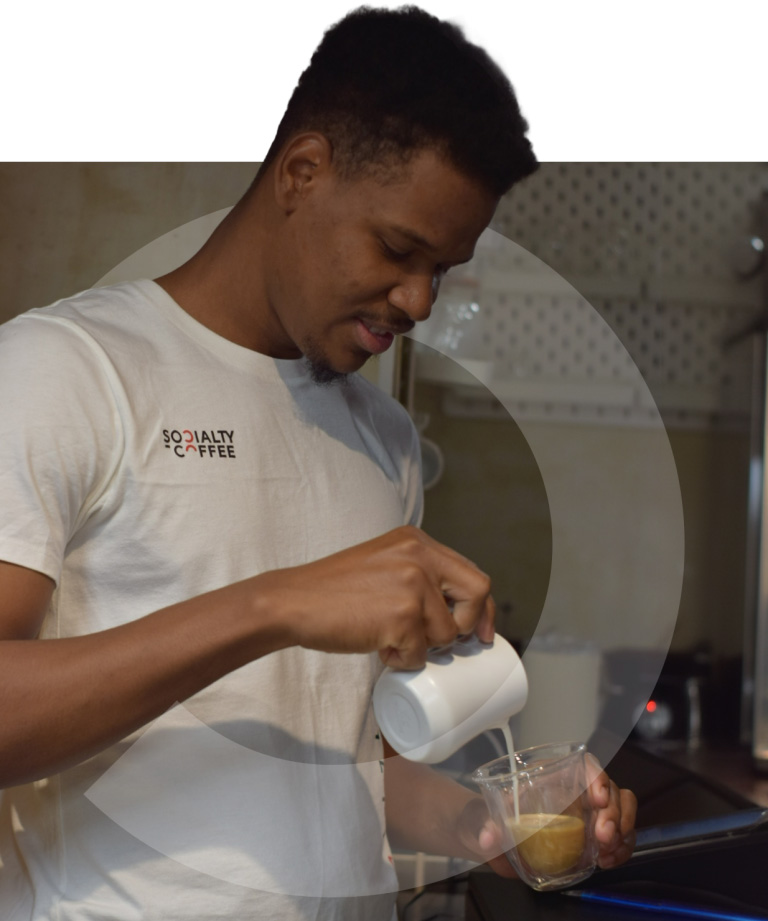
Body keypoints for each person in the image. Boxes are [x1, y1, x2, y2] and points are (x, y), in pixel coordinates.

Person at [0, 6, 636, 920]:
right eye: (399, 249)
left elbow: (348, 763)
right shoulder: (66, 370)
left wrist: (490, 823)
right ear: (302, 172)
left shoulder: (384, 437)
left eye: (443, 269)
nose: (419, 299)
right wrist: (276, 604)